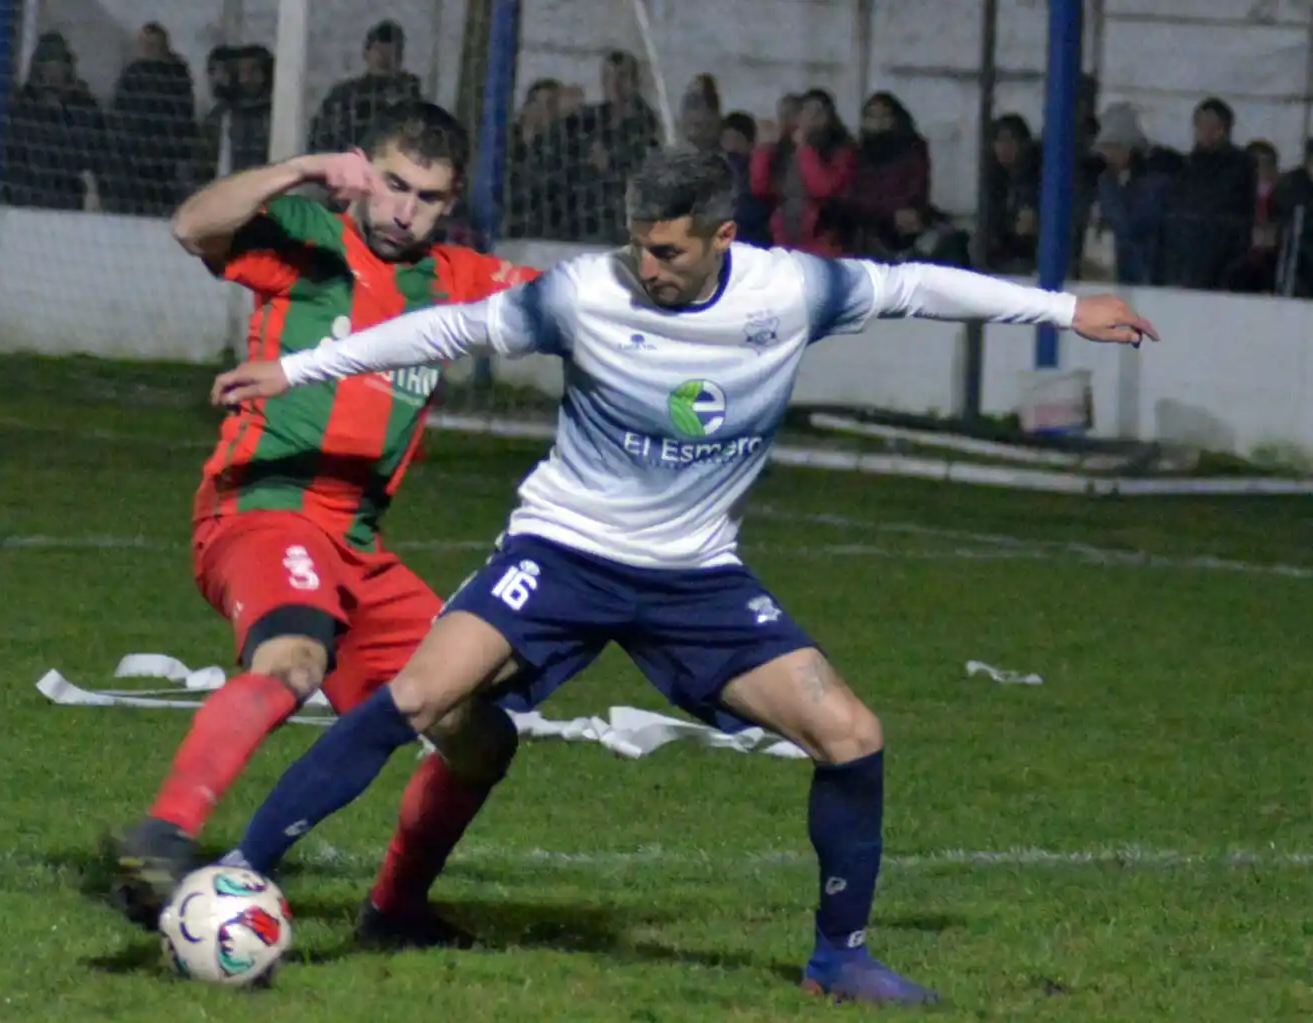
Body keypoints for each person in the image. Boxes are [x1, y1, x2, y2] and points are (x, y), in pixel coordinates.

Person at [208, 149, 1157, 1005]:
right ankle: (239, 874)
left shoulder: (792, 291)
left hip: (695, 578)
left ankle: (840, 958)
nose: (646, 267)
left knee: (851, 732)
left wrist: (1067, 310)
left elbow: (916, 286)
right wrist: (302, 367)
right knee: (416, 694)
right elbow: (447, 331)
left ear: (723, 238)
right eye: (638, 246)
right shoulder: (585, 292)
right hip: (563, 552)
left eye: (666, 250)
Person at [107, 100, 537, 950]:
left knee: (478, 732)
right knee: (295, 658)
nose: (403, 209)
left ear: (450, 206)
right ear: (361, 175)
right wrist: (300, 169)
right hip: (264, 507)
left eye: (428, 196)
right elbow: (193, 224)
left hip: (359, 545)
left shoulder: (456, 280)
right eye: (392, 185)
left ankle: (395, 910)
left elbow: (577, 299)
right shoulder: (308, 236)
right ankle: (163, 834)